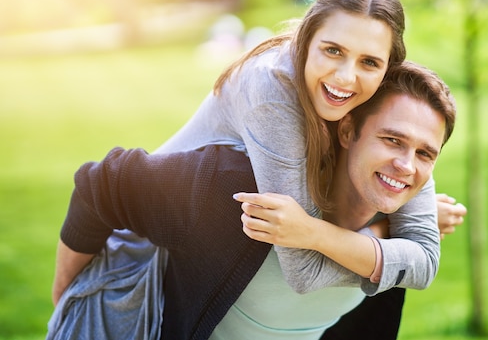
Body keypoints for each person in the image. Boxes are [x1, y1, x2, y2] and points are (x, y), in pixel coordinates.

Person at [48, 61, 458, 340]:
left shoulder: (396, 239)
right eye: (391, 140)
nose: (406, 165)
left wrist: (377, 231)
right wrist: (65, 291)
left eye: (425, 153)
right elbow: (100, 185)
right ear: (348, 131)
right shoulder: (237, 189)